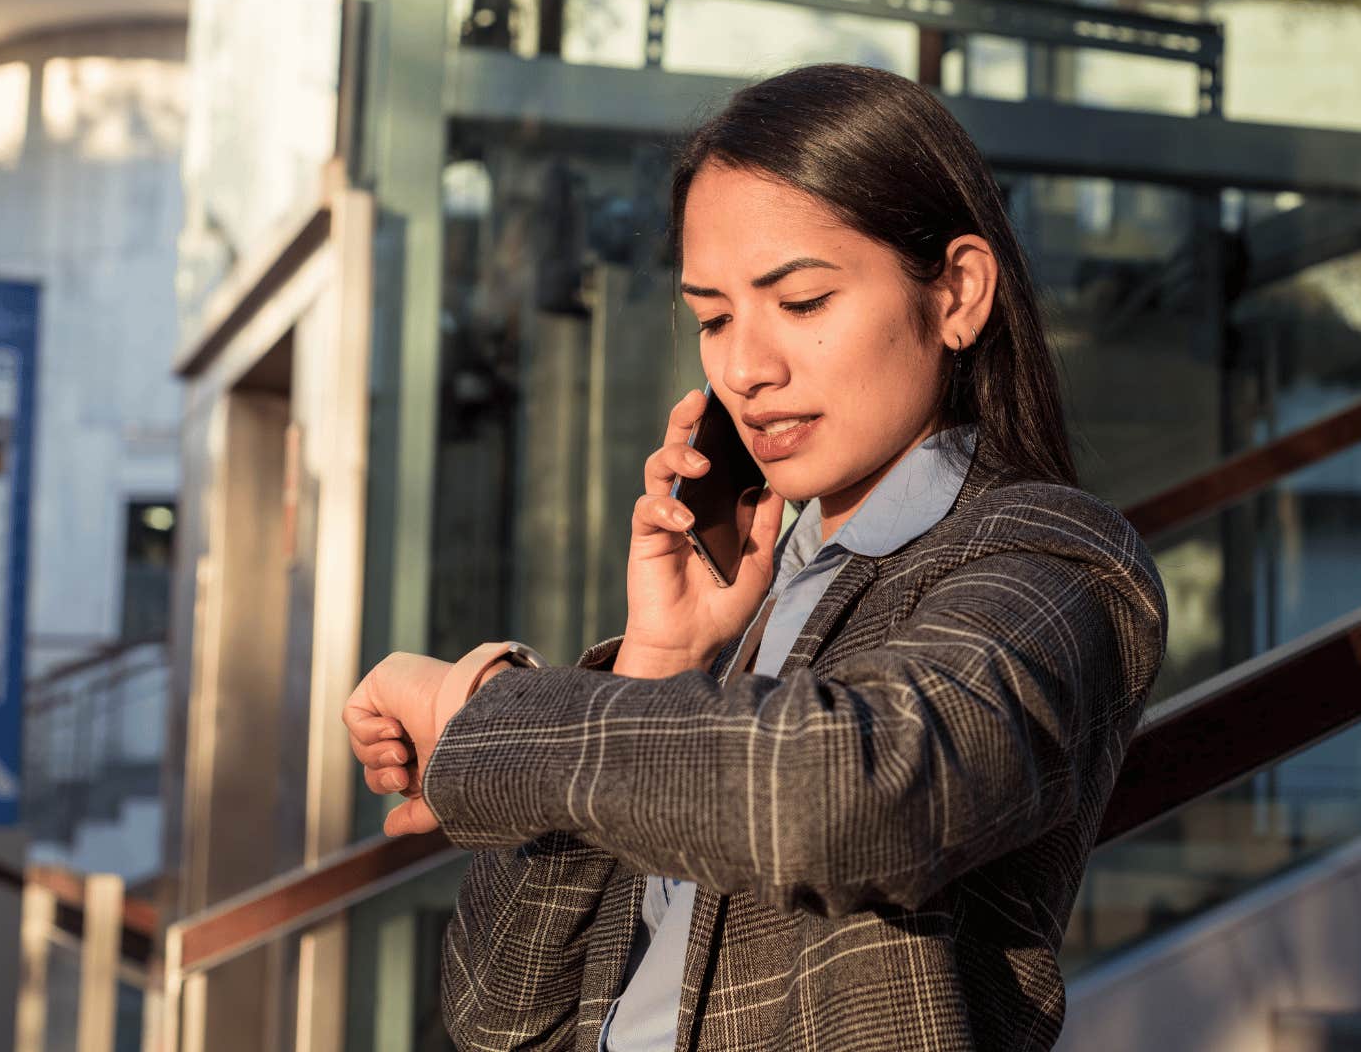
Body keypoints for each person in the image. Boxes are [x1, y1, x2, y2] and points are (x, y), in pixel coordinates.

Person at [344, 62, 1168, 1052]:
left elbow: (845, 794)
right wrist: (655, 659)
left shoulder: (1050, 561)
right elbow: (501, 1016)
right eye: (716, 318)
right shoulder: (757, 619)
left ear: (956, 292)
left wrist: (485, 712)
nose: (747, 368)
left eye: (804, 302)